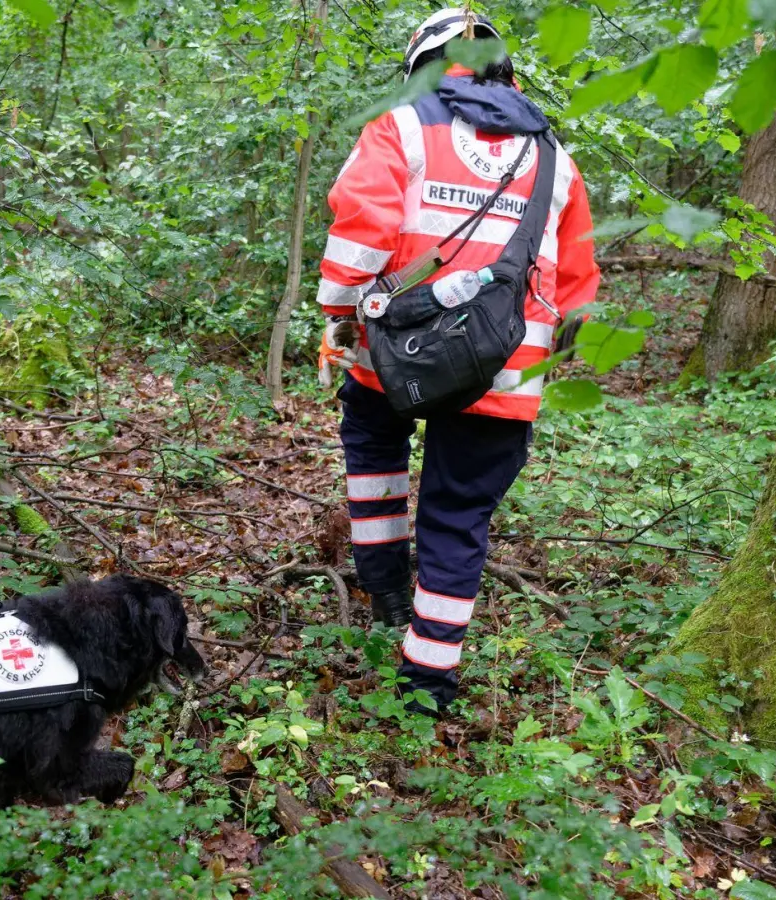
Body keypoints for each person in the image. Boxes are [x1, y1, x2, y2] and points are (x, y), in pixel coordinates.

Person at [314, 7, 600, 715]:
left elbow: (361, 232)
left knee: (373, 446)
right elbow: (578, 289)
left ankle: (384, 589)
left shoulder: (401, 127)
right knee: (459, 517)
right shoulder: (556, 159)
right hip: (502, 372)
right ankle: (427, 686)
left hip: (395, 354)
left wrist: (339, 320)